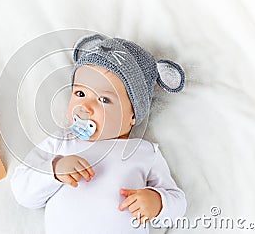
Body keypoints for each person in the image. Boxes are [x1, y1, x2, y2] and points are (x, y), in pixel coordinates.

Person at [10, 34, 187, 233]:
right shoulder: (61, 143)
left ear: (132, 116)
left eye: (104, 100)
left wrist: (157, 203)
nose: (85, 106)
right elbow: (21, 190)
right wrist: (55, 170)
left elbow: (178, 202)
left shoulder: (144, 152)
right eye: (80, 94)